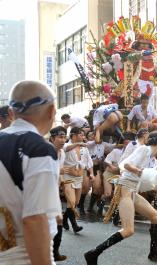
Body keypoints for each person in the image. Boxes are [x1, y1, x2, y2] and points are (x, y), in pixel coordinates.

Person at [84, 132, 157, 264]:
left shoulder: (153, 159)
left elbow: (150, 179)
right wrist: (140, 171)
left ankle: (154, 252)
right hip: (125, 190)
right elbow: (126, 165)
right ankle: (94, 253)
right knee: (128, 230)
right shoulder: (144, 150)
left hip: (133, 191)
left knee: (156, 217)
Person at [0, 80, 61, 264]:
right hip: (23, 256)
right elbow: (35, 219)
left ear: (11, 113)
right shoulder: (38, 148)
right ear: (52, 110)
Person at [62, 127, 92, 233]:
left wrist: (91, 173)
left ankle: (64, 220)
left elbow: (89, 162)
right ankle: (75, 226)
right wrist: (78, 144)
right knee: (72, 201)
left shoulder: (84, 148)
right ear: (73, 135)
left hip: (79, 177)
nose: (83, 137)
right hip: (67, 177)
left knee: (76, 202)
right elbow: (66, 149)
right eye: (81, 135)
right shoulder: (67, 145)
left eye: (83, 135)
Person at [49, 126, 68, 261]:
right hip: (41, 192)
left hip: (53, 191)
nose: (63, 140)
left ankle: (55, 252)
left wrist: (62, 184)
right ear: (52, 138)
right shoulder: (45, 152)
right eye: (60, 137)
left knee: (59, 220)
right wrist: (58, 171)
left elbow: (59, 173)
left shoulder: (62, 153)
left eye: (64, 136)